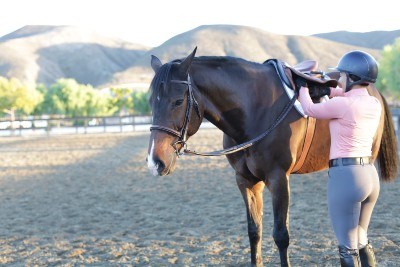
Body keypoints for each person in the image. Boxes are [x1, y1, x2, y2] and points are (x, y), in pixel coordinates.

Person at [297, 50, 381, 267]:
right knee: (361, 239)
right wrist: (328, 87)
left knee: (347, 246)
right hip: (370, 176)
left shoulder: (343, 105)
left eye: (342, 75)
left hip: (347, 177)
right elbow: (343, 96)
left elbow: (309, 109)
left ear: (352, 78)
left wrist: (303, 85)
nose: (339, 79)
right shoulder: (374, 103)